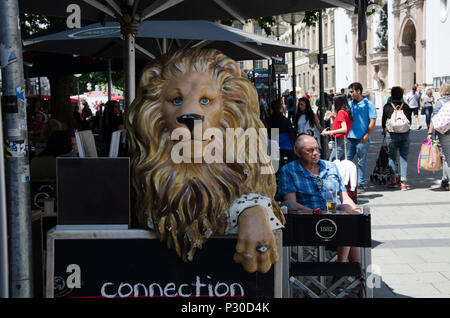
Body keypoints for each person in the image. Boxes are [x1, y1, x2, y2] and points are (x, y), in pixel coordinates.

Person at [277, 134, 361, 263]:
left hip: (337, 219)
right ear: (297, 152)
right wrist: (315, 213)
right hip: (309, 222)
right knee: (348, 225)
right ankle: (342, 270)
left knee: (350, 215)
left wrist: (355, 210)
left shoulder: (330, 167)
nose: (315, 153)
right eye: (310, 150)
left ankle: (350, 271)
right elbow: (290, 203)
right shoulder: (289, 171)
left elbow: (344, 197)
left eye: (317, 149)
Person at [346, 82, 377, 193]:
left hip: (361, 139)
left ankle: (361, 183)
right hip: (350, 138)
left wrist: (367, 135)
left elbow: (372, 121)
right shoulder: (349, 104)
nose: (350, 94)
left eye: (352, 91)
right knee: (346, 161)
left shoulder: (368, 104)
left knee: (361, 162)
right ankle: (347, 183)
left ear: (358, 91)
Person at [382, 86, 413, 191]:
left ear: (391, 95)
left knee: (392, 157)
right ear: (401, 96)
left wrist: (383, 129)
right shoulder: (407, 108)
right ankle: (403, 183)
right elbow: (410, 122)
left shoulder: (387, 106)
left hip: (391, 134)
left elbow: (383, 121)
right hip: (405, 134)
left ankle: (394, 180)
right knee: (404, 157)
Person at [427, 82, 450, 190]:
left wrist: (430, 133)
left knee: (446, 157)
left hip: (443, 132)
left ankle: (447, 181)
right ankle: (445, 179)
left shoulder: (440, 102)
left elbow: (434, 118)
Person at [321, 95, 353, 161]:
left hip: (340, 141)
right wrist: (332, 117)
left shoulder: (341, 112)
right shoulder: (344, 112)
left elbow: (344, 129)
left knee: (332, 162)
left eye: (334, 102)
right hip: (342, 141)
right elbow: (338, 125)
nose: (333, 104)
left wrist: (329, 132)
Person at [268, 99, 296, 169]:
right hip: (287, 148)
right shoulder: (286, 120)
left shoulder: (269, 120)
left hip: (274, 147)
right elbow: (291, 135)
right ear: (281, 108)